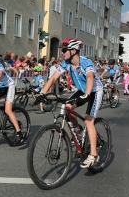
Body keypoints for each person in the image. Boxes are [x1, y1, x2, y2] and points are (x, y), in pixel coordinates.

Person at [35, 37, 103, 168]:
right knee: (67, 106)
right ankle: (77, 130)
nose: (62, 52)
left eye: (64, 50)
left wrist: (86, 95)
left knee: (89, 121)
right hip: (82, 90)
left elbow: (89, 77)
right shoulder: (66, 63)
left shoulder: (85, 62)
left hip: (94, 91)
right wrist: (42, 94)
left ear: (73, 51)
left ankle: (94, 154)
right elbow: (54, 77)